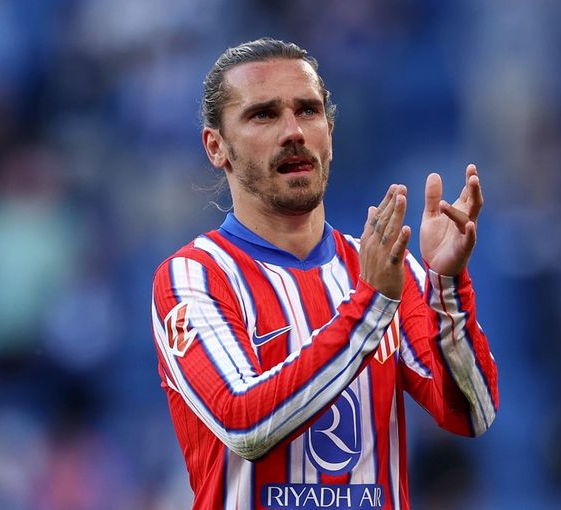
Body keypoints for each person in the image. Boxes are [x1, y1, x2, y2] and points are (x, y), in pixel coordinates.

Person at [151, 37, 498, 510]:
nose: (293, 131)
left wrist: (445, 287)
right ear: (217, 147)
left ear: (329, 132)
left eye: (308, 111)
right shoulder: (193, 277)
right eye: (264, 115)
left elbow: (473, 414)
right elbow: (244, 424)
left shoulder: (383, 267)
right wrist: (372, 307)